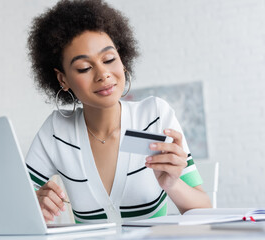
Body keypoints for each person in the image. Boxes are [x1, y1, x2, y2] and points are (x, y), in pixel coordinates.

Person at [25, 0, 211, 224]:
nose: (103, 74)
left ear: (122, 61)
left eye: (109, 59)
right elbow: (14, 205)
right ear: (63, 79)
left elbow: (205, 211)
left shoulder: (154, 116)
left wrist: (173, 185)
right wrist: (33, 206)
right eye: (84, 67)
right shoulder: (56, 131)